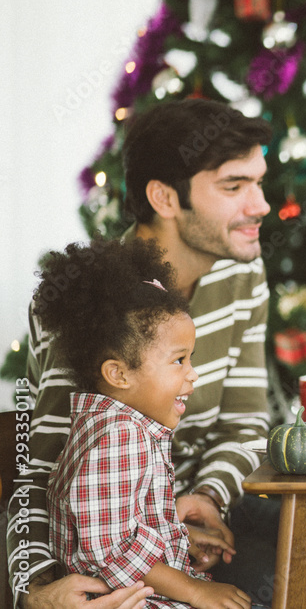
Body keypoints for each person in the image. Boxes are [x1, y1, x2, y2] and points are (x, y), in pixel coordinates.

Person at [6, 98, 306, 609]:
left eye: (259, 182)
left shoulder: (242, 274)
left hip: (208, 513)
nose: (260, 204)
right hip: (120, 542)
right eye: (234, 187)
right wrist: (33, 593)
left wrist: (209, 496)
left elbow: (243, 424)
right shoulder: (93, 305)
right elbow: (36, 473)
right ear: (165, 198)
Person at [35, 238, 252, 609]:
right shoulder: (119, 437)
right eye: (178, 360)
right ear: (118, 373)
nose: (193, 374)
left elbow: (116, 525)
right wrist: (195, 590)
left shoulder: (113, 426)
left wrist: (178, 537)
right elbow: (112, 552)